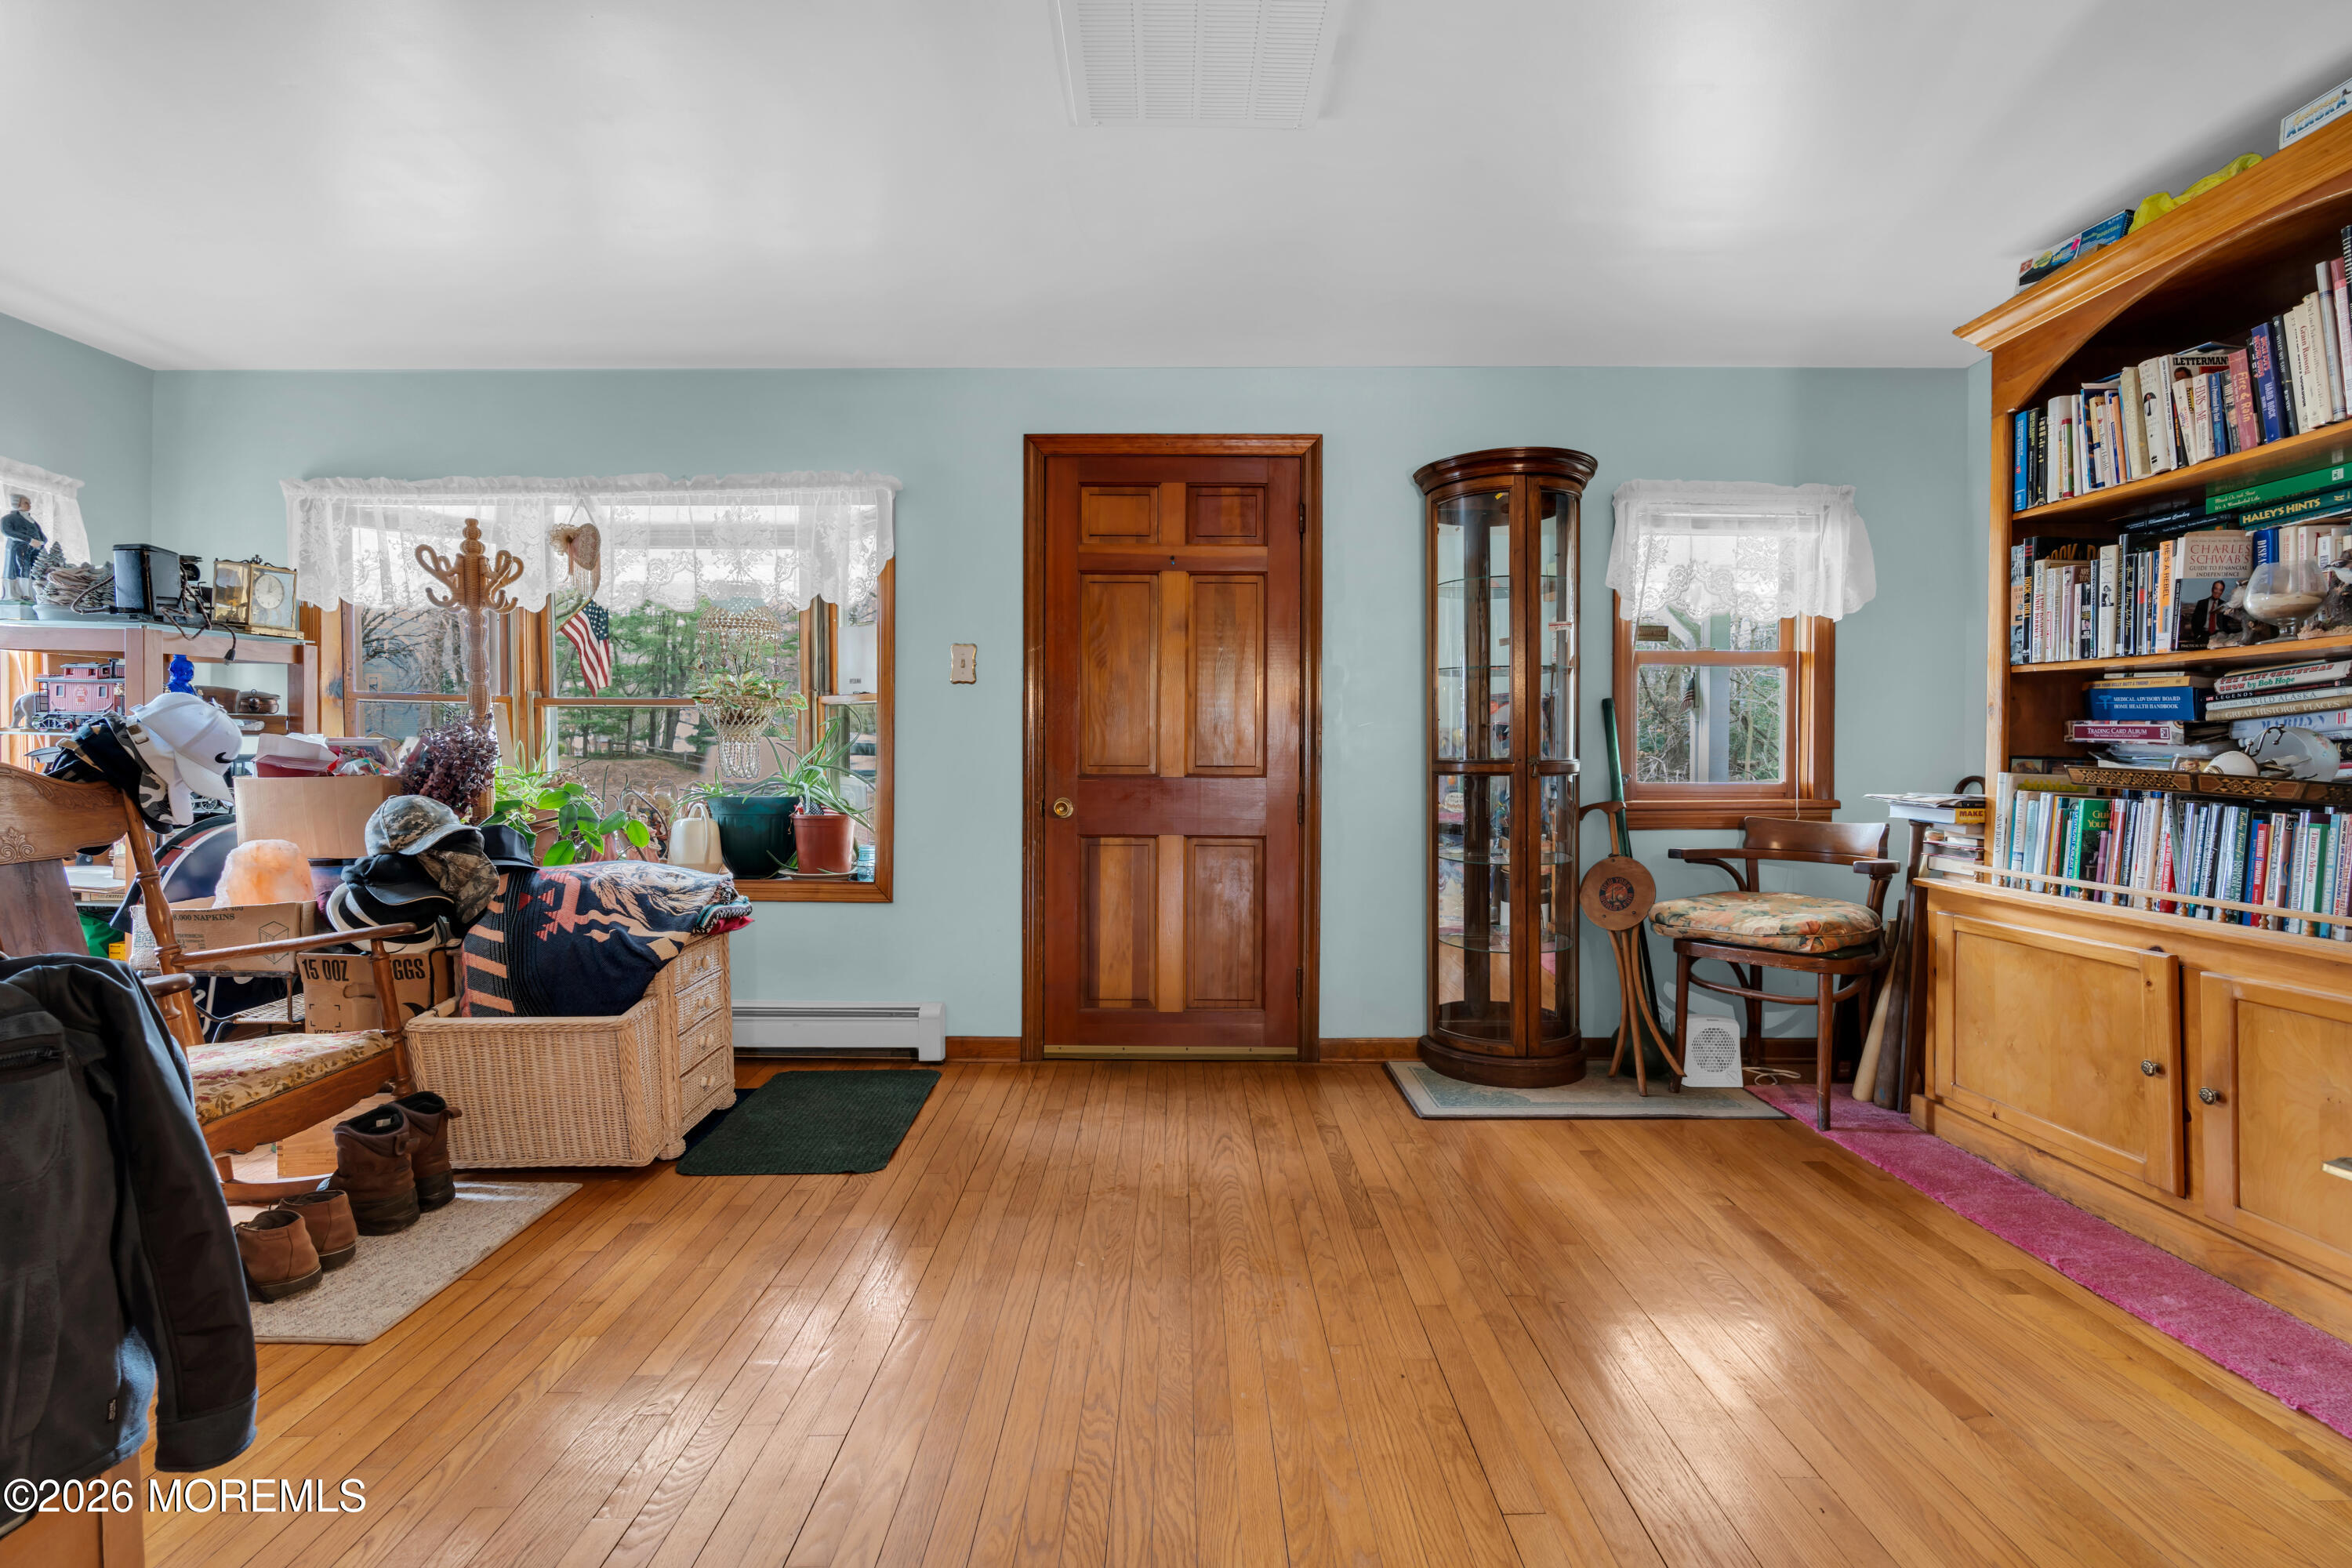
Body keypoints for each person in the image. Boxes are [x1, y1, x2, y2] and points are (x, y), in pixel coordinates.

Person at [0, 492, 45, 601]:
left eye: (29, 503)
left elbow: (40, 533)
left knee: (36, 569)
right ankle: (24, 593)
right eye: (26, 503)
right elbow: (7, 532)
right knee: (22, 568)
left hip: (35, 549)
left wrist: (42, 542)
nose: (29, 505)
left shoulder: (31, 520)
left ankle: (35, 593)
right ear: (17, 504)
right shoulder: (9, 518)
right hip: (19, 548)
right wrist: (29, 540)